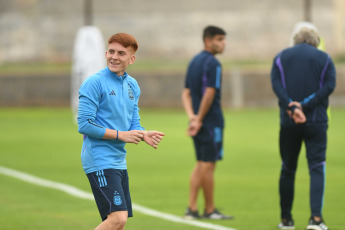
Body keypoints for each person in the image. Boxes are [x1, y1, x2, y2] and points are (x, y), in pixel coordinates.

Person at [77, 33, 165, 230]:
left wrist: (143, 134)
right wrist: (121, 135)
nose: (114, 57)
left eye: (121, 53)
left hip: (118, 160)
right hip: (99, 159)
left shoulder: (132, 85)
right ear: (106, 52)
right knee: (118, 219)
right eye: (111, 51)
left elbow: (134, 123)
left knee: (117, 224)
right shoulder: (94, 83)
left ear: (131, 59)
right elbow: (84, 124)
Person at [271, 27, 336, 230]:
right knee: (316, 168)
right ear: (315, 42)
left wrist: (291, 106)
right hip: (316, 121)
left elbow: (276, 86)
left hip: (289, 122)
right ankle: (315, 219)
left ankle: (286, 220)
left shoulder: (281, 57)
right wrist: (305, 106)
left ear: (296, 41)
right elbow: (329, 86)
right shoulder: (324, 58)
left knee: (287, 169)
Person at [181, 25, 232, 220]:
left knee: (200, 164)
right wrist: (200, 119)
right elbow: (210, 93)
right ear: (208, 41)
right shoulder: (213, 64)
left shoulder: (194, 61)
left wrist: (192, 117)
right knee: (208, 165)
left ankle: (191, 208)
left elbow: (185, 93)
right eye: (220, 39)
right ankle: (209, 210)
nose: (223, 43)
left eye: (224, 39)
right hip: (210, 122)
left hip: (198, 121)